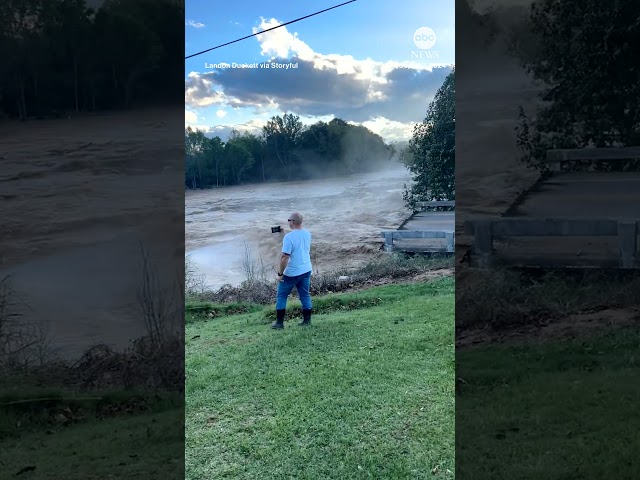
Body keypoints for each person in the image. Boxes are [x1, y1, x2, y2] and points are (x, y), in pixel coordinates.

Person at [271, 212, 313, 329]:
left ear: (292, 222)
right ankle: (307, 321)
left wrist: (280, 274)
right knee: (305, 295)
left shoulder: (289, 237)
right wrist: (284, 233)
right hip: (306, 269)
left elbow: (285, 256)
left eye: (289, 220)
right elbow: (298, 242)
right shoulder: (307, 233)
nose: (288, 222)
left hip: (292, 273)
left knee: (282, 295)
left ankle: (279, 323)